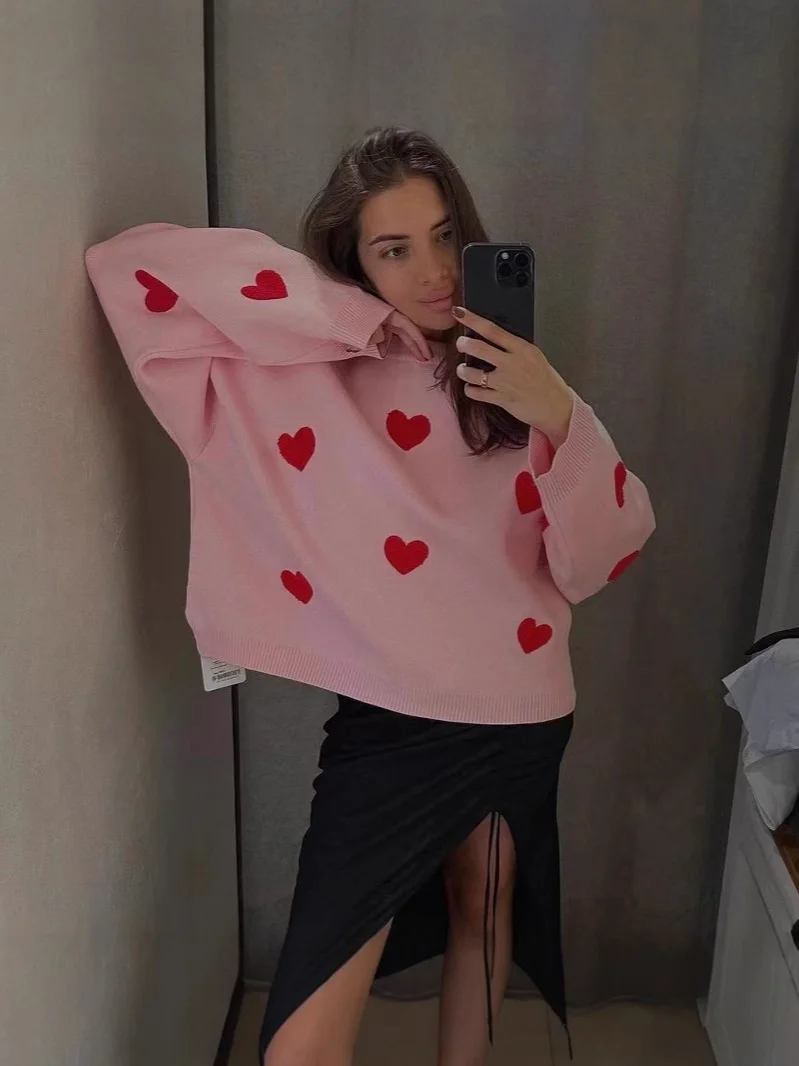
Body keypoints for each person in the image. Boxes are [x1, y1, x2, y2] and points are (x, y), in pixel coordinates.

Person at [85, 126, 655, 1066]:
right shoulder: (316, 366)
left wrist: (557, 410)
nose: (433, 272)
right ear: (353, 261)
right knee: (300, 1044)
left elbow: (602, 553)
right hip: (391, 723)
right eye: (393, 249)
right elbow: (131, 268)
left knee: (482, 908)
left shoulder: (519, 379)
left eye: (445, 236)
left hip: (518, 708)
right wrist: (348, 313)